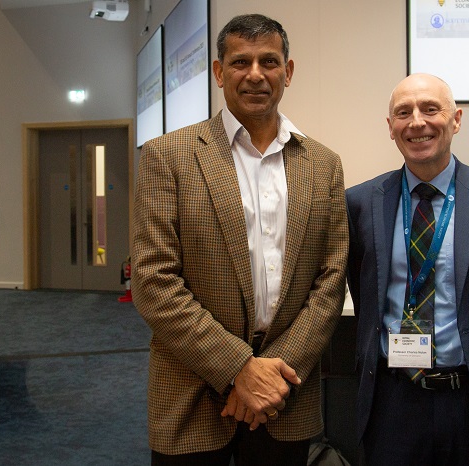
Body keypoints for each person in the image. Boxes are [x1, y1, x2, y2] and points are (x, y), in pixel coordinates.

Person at [132, 14, 348, 466]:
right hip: (191, 388)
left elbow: (331, 280)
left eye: (269, 61)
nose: (255, 74)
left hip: (284, 394)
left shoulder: (324, 164)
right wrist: (238, 370)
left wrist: (270, 377)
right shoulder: (167, 157)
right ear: (218, 72)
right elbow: (154, 283)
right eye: (240, 62)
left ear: (288, 72)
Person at [346, 73, 469, 465]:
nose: (417, 122)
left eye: (430, 109)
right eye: (403, 112)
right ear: (391, 128)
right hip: (394, 404)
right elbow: (362, 288)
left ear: (456, 120)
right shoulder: (362, 202)